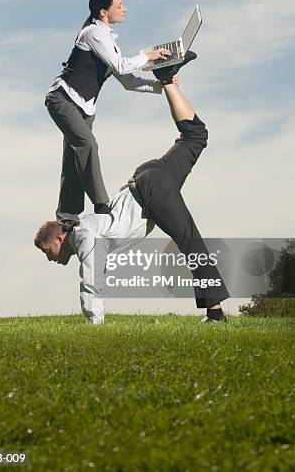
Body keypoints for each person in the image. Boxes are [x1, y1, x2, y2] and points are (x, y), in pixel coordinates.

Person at [35, 53, 230, 324]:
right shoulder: (87, 225)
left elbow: (92, 281)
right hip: (147, 178)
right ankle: (167, 80)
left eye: (47, 251)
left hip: (150, 191)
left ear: (58, 240)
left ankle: (216, 313)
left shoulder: (85, 238)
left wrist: (95, 323)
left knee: (189, 242)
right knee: (196, 136)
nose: (49, 259)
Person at [45, 0, 172, 227]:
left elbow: (127, 80)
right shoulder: (93, 32)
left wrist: (161, 86)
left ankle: (67, 217)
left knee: (74, 157)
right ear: (104, 12)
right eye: (119, 5)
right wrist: (148, 56)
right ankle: (102, 206)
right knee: (87, 145)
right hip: (62, 99)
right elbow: (122, 66)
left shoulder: (109, 40)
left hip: (85, 109)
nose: (124, 9)